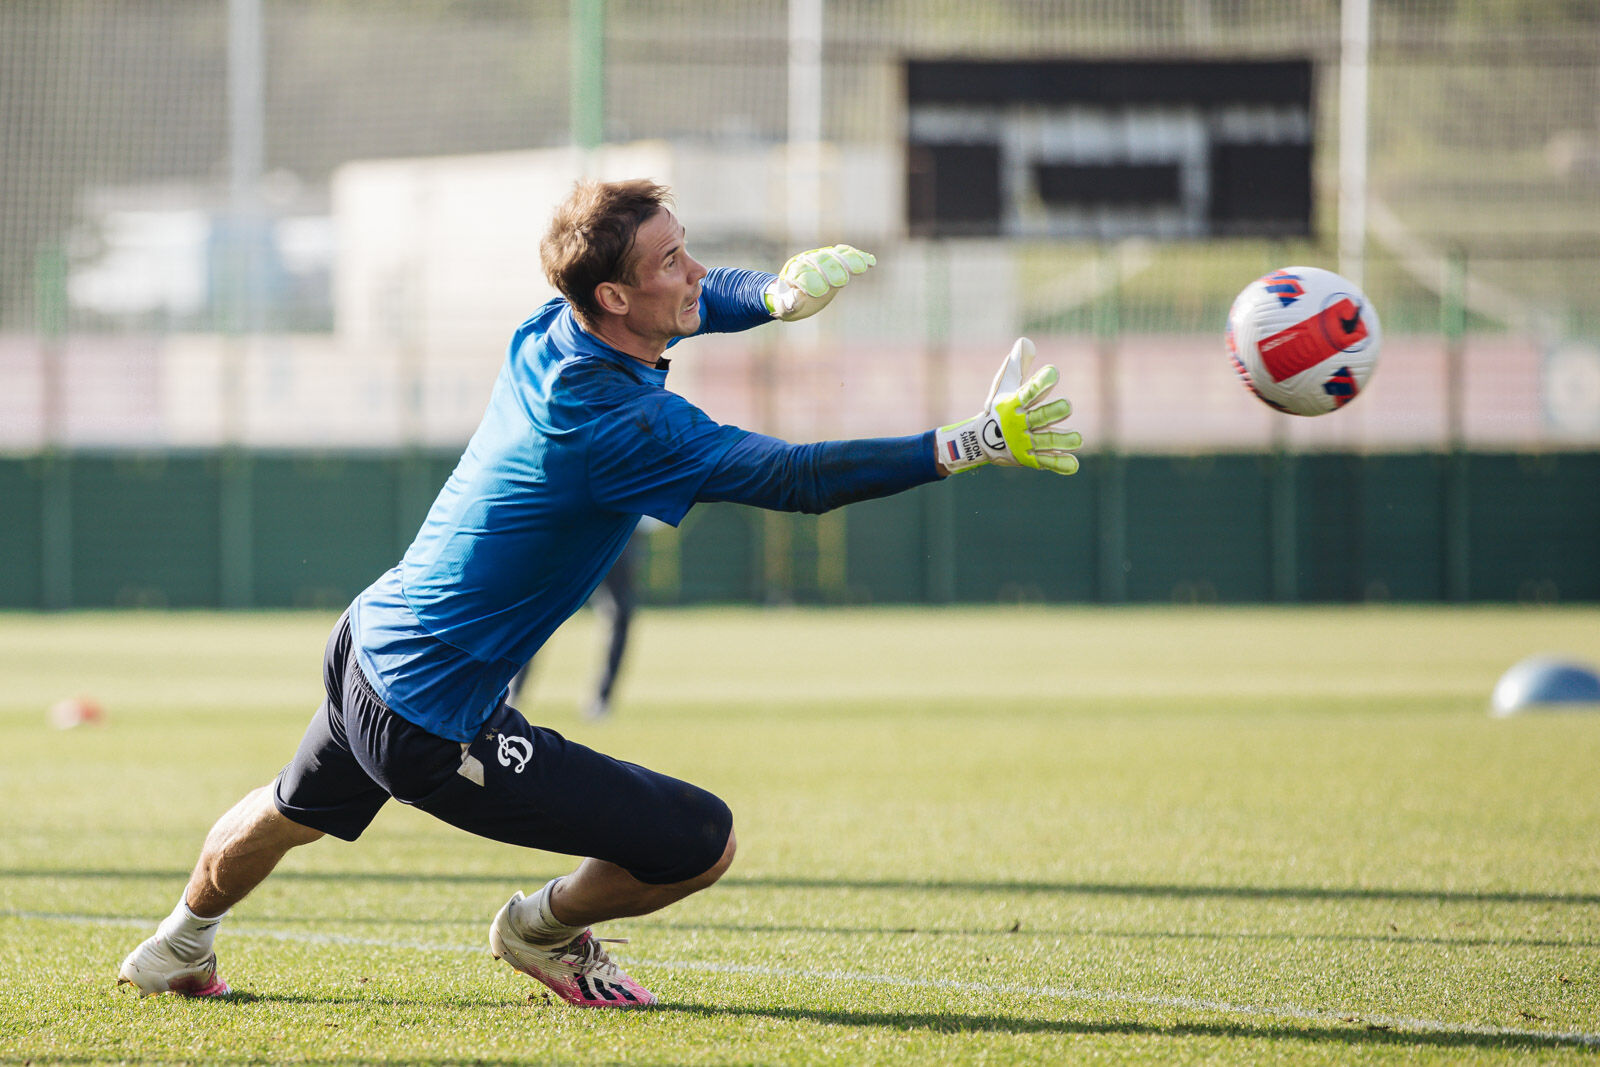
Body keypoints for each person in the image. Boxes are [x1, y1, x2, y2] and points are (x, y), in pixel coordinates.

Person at [116, 179, 1081, 1009]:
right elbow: (797, 479)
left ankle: (176, 942)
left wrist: (777, 295)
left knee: (291, 806)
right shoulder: (620, 427)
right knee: (700, 842)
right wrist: (966, 443)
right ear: (615, 295)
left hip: (370, 640)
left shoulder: (550, 326)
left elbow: (702, 303)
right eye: (672, 259)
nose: (697, 268)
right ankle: (538, 929)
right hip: (427, 716)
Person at [507, 518, 656, 722]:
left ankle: (601, 700)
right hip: (573, 524)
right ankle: (511, 692)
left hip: (617, 528)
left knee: (618, 613)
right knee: (539, 609)